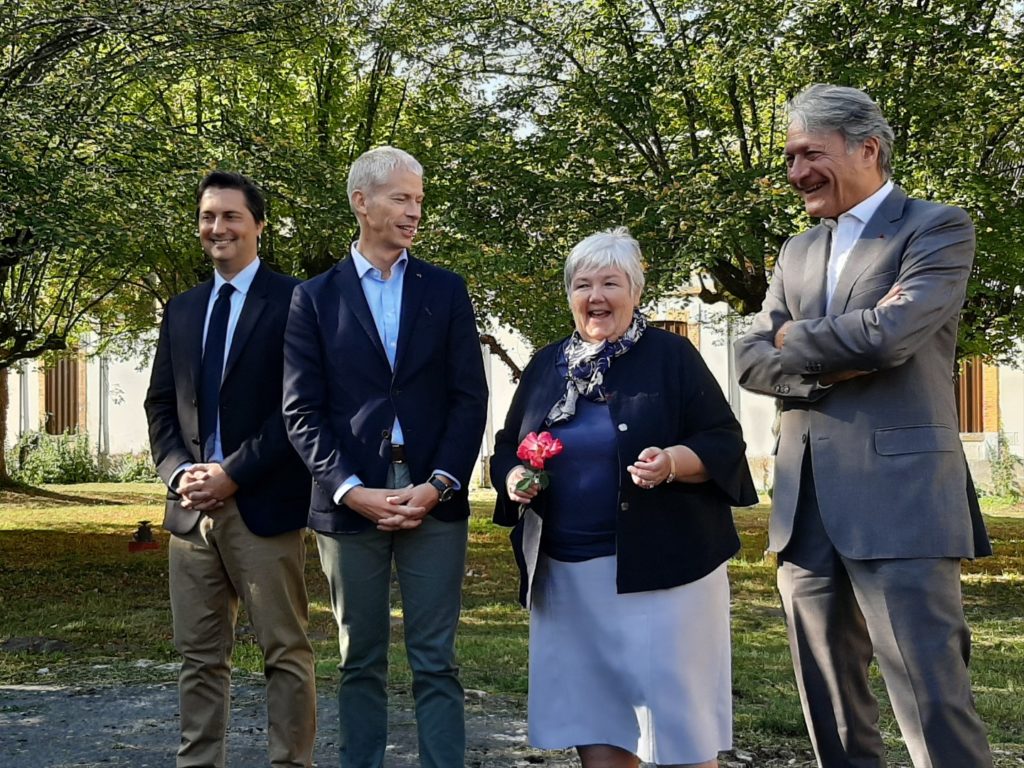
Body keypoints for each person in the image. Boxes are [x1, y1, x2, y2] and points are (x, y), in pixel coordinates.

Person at [734, 84, 993, 768]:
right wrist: (823, 361)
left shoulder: (936, 227)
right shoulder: (794, 252)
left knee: (933, 702)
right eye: (790, 158)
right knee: (831, 715)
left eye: (809, 154)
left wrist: (795, 339)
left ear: (867, 149)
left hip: (902, 502)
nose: (795, 173)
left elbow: (889, 337)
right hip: (804, 507)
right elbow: (750, 360)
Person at [491, 227, 757, 768]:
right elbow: (506, 446)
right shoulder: (547, 365)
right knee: (599, 722)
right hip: (569, 578)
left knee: (678, 729)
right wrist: (515, 477)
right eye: (582, 284)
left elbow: (723, 442)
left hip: (666, 573)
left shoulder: (672, 357)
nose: (596, 297)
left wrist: (674, 463)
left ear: (636, 291)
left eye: (611, 283)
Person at [282, 146, 488, 768]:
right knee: (359, 659)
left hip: (435, 498)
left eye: (420, 199)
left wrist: (440, 484)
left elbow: (468, 397)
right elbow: (300, 412)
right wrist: (350, 489)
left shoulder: (446, 290)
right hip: (351, 504)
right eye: (402, 198)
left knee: (436, 659)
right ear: (361, 202)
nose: (414, 211)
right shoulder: (312, 299)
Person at [144, 170, 316, 768]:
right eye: (207, 217)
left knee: (284, 651)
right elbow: (160, 404)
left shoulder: (296, 301)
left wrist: (233, 473)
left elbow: (297, 409)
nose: (217, 228)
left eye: (231, 216)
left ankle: (290, 762)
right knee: (198, 657)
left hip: (262, 506)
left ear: (259, 226)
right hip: (189, 512)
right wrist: (178, 473)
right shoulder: (184, 308)